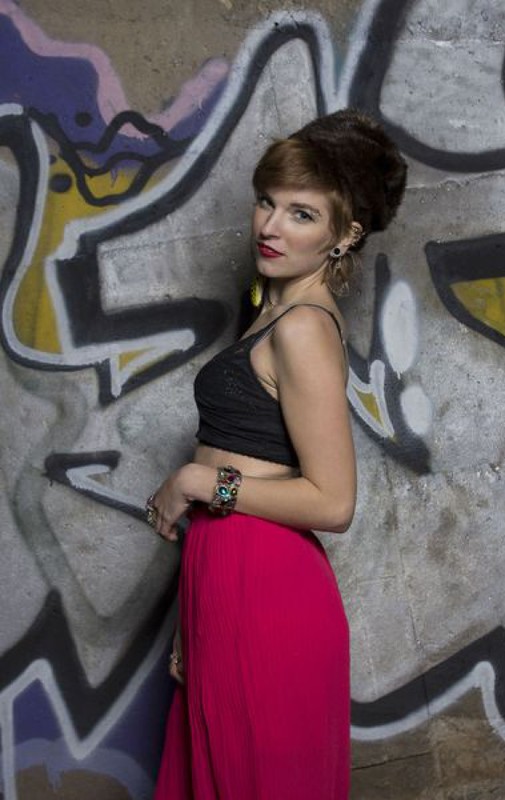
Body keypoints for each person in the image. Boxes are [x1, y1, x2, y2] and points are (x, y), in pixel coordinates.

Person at [146, 108, 407, 799]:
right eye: (267, 201)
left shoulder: (303, 329)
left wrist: (201, 481)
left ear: (344, 235)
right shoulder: (271, 309)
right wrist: (193, 620)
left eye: (301, 214)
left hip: (266, 589)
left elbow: (333, 502)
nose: (270, 226)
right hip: (225, 580)